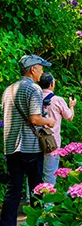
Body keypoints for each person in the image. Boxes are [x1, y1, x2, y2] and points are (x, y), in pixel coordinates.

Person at [0, 55, 56, 226]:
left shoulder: (8, 90)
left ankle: (7, 223)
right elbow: (34, 118)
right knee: (36, 189)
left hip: (11, 147)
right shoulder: (34, 89)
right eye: (41, 68)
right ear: (33, 70)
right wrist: (49, 121)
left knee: (13, 189)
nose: (42, 72)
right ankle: (37, 222)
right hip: (30, 146)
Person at [39, 72, 77, 184]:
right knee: (50, 173)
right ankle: (48, 201)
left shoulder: (34, 97)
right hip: (51, 142)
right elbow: (69, 117)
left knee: (33, 172)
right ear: (52, 84)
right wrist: (71, 106)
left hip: (34, 140)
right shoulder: (57, 100)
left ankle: (29, 198)